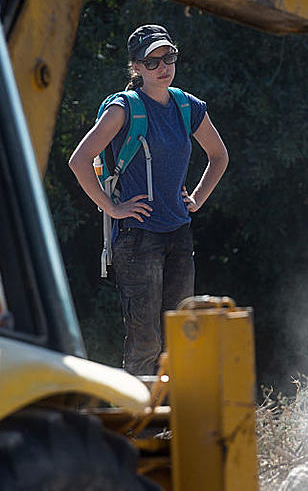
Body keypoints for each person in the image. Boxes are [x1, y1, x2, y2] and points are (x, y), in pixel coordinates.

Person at [68, 24, 228, 375]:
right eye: (152, 61)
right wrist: (112, 208)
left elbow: (219, 156)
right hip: (138, 239)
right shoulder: (125, 108)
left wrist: (197, 198)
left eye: (168, 57)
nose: (163, 67)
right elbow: (79, 161)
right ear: (136, 67)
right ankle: (141, 426)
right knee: (146, 342)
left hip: (179, 234)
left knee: (182, 337)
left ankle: (177, 425)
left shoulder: (188, 106)